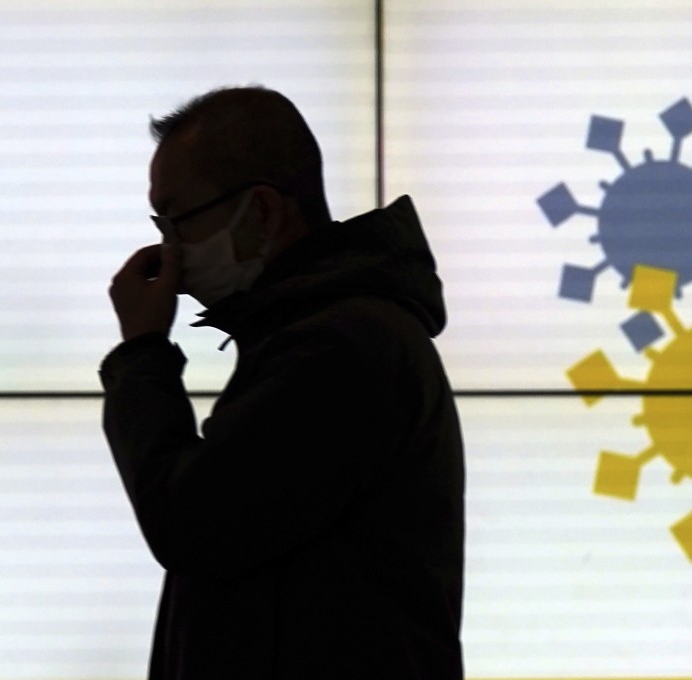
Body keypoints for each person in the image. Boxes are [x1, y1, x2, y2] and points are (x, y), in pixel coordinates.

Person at [99, 86, 465, 679]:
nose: (168, 251)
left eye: (179, 221)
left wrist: (142, 353)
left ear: (264, 211)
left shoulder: (339, 348)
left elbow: (193, 524)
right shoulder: (313, 331)